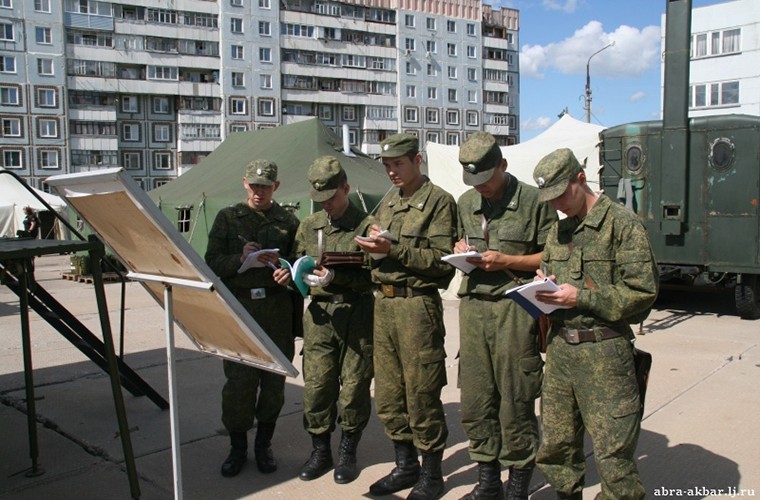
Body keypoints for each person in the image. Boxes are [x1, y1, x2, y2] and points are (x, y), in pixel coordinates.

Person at [531, 148, 658, 500]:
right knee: (557, 449)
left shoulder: (621, 224)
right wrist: (544, 286)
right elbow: (549, 269)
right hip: (560, 352)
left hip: (605, 353)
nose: (556, 204)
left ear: (580, 180)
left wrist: (581, 298)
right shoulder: (558, 231)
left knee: (614, 458)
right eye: (550, 199)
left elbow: (643, 295)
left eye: (561, 194)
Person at [453, 132, 558, 500]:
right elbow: (460, 242)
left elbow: (553, 255)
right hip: (474, 308)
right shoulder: (466, 202)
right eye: (473, 181)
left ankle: (517, 485)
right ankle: (487, 481)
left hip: (515, 309)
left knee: (516, 400)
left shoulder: (533, 201)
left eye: (486, 178)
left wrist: (507, 260)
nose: (480, 187)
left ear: (503, 165)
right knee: (476, 400)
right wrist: (461, 250)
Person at [355, 133, 457, 500]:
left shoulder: (439, 202)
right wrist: (370, 245)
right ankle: (405, 465)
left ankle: (432, 474)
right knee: (389, 393)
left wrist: (394, 249)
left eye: (398, 164)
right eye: (386, 166)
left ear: (417, 160)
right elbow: (367, 236)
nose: (391, 172)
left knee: (422, 391)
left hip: (417, 306)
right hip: (383, 306)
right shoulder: (388, 201)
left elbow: (442, 263)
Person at [205, 159, 300, 479]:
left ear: (276, 187)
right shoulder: (228, 218)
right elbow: (211, 262)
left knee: (273, 382)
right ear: (245, 184)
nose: (259, 191)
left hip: (275, 311)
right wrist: (241, 258)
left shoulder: (288, 220)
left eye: (266, 185)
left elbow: (299, 263)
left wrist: (287, 272)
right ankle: (237, 448)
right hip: (241, 310)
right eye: (254, 185)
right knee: (239, 384)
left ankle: (263, 445)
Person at [294, 156, 375, 484]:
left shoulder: (366, 226)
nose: (327, 206)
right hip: (319, 317)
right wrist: (294, 276)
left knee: (354, 387)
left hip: (356, 314)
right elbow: (298, 261)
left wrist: (337, 279)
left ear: (346, 188)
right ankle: (320, 450)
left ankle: (348, 451)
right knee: (316, 386)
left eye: (332, 198)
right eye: (321, 201)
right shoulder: (309, 225)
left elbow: (375, 275)